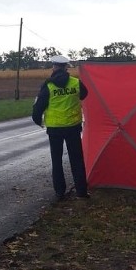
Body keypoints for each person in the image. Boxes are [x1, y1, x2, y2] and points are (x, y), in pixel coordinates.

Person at [32, 55, 90, 200]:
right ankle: (81, 191)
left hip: (55, 129)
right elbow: (85, 95)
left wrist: (37, 120)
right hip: (73, 127)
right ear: (66, 67)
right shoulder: (76, 83)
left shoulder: (48, 85)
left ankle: (60, 192)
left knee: (56, 160)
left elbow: (38, 107)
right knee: (77, 159)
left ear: (54, 67)